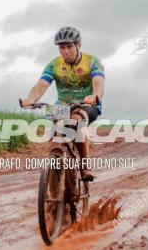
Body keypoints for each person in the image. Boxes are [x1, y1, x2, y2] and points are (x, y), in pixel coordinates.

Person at [20, 26, 105, 181]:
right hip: (63, 105)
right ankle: (54, 189)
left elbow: (98, 82)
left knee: (77, 122)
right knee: (55, 135)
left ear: (78, 45)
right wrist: (32, 99)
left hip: (87, 104)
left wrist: (94, 96)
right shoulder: (55, 65)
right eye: (62, 47)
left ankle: (85, 167)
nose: (66, 51)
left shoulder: (93, 62)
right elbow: (41, 85)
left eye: (69, 46)